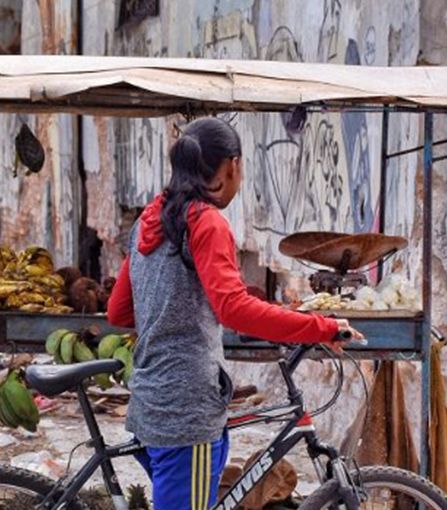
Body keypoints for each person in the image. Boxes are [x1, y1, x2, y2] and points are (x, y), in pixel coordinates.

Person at [106, 117, 362, 510]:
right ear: (232, 166)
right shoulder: (206, 223)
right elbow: (235, 309)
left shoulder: (149, 219)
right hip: (185, 410)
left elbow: (119, 310)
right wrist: (320, 328)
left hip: (151, 397)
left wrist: (169, 306)